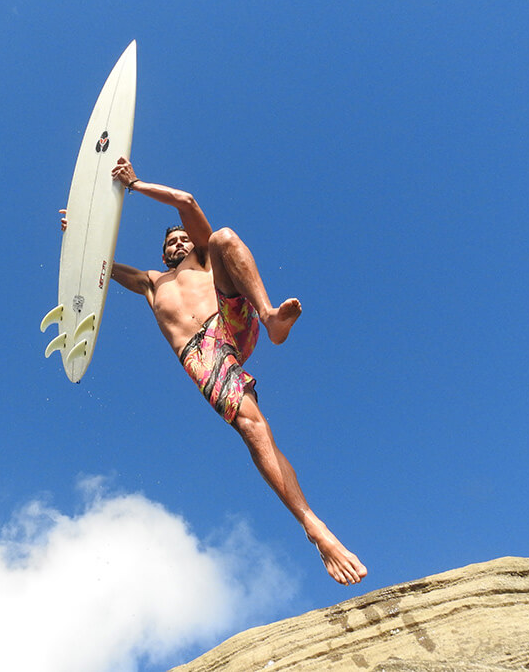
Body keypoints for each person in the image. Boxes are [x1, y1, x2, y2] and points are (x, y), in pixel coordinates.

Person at [59, 157, 367, 586]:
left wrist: (134, 184)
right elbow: (101, 266)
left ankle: (270, 317)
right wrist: (79, 235)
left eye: (183, 239)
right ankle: (315, 527)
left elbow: (186, 201)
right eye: (171, 243)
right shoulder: (151, 283)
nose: (178, 244)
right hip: (201, 353)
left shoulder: (203, 260)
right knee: (253, 429)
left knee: (223, 236)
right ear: (163, 254)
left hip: (230, 320)